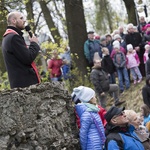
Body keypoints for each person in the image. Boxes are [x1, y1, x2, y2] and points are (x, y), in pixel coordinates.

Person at [2, 11, 40, 89]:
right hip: (25, 85)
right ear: (14, 21)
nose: (24, 20)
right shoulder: (13, 38)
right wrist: (34, 44)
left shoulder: (9, 37)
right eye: (21, 18)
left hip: (21, 84)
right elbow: (28, 58)